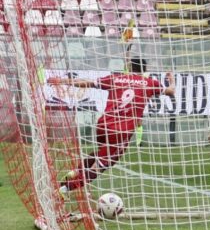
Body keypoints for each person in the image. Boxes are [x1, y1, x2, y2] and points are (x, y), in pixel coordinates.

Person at [48, 57, 175, 195]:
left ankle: (76, 173)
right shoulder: (150, 83)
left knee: (101, 153)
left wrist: (63, 81)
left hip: (102, 126)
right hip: (120, 132)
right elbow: (171, 91)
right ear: (145, 70)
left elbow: (86, 83)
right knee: (100, 166)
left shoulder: (116, 78)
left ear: (130, 67)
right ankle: (64, 189)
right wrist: (171, 79)